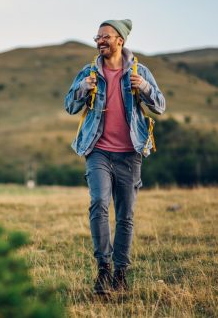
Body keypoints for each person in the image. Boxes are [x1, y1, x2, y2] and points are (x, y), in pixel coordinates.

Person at [64, 19, 166, 295]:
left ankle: (121, 272)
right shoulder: (88, 72)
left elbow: (160, 105)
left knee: (126, 215)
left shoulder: (139, 71)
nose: (99, 41)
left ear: (120, 40)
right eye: (97, 37)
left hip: (130, 154)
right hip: (98, 150)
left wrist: (144, 86)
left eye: (105, 37)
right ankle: (103, 270)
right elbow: (69, 106)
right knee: (99, 203)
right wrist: (83, 87)